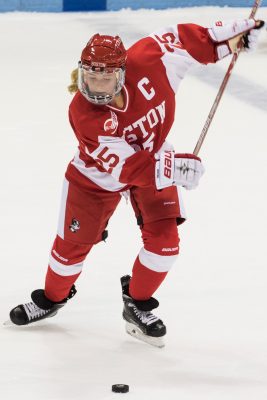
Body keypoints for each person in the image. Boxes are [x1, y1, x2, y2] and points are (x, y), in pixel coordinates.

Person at [9, 17, 264, 347]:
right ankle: (50, 299)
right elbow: (127, 168)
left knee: (165, 245)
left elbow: (185, 41)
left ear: (123, 71)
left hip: (154, 160)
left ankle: (137, 303)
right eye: (91, 73)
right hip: (96, 178)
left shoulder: (149, 60)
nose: (96, 83)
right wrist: (173, 170)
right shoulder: (83, 113)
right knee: (69, 251)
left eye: (105, 74)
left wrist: (228, 41)